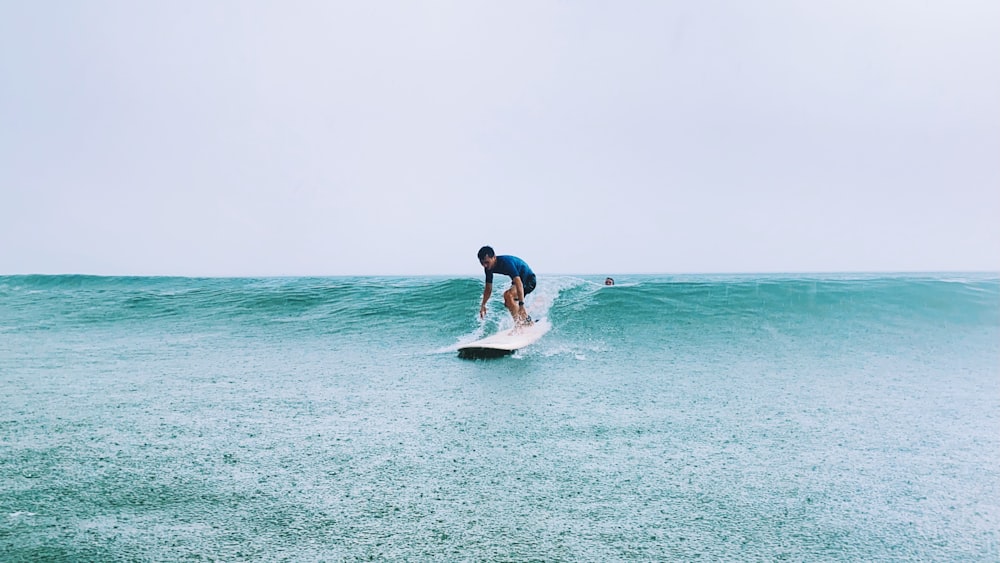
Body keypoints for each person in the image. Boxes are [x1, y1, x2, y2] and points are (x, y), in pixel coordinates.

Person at [477, 245, 536, 326]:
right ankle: (527, 321)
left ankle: (520, 324)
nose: (485, 265)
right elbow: (488, 288)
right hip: (519, 281)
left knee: (508, 295)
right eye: (482, 263)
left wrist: (521, 304)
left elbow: (519, 282)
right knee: (508, 302)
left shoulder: (506, 263)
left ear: (494, 257)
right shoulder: (488, 268)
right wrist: (483, 305)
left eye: (487, 262)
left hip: (529, 280)